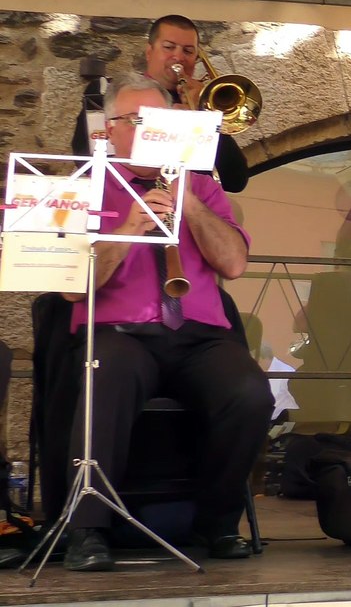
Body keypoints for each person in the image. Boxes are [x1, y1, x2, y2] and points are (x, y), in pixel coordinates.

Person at [59, 74, 273, 571]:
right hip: (119, 330)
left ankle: (217, 522)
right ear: (111, 129)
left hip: (196, 333)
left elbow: (235, 265)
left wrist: (190, 204)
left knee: (250, 394)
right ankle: (88, 530)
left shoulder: (201, 184)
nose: (149, 132)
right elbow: (72, 287)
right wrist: (132, 225)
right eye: (137, 122)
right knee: (103, 376)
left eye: (158, 122)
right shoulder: (89, 185)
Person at [73, 14, 250, 193]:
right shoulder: (110, 92)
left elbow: (235, 181)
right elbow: (86, 161)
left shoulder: (198, 103)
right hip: (124, 201)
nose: (178, 56)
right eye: (168, 47)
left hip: (188, 208)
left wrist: (206, 116)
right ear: (149, 53)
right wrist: (168, 122)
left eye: (188, 51)